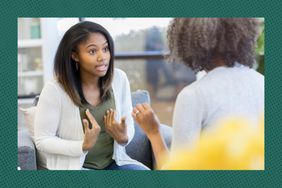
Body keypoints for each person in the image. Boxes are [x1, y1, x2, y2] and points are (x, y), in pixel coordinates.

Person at [132, 18, 264, 169]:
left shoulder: (193, 95)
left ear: (188, 42)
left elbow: (178, 175)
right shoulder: (263, 82)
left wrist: (153, 132)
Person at [34, 21, 149, 170]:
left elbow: (128, 124)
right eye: (92, 51)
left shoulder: (119, 78)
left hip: (114, 164)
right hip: (75, 167)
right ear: (74, 55)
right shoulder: (55, 90)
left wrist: (123, 137)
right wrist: (82, 145)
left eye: (106, 49)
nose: (103, 57)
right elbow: (42, 139)